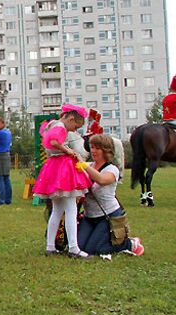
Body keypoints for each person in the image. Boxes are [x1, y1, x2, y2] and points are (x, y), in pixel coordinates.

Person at [33, 104, 93, 259]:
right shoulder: (60, 127)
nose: (74, 130)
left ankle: (50, 246)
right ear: (71, 118)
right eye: (75, 126)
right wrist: (68, 150)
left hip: (53, 166)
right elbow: (53, 142)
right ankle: (74, 248)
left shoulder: (52, 125)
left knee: (58, 210)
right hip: (62, 167)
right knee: (71, 208)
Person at [76, 134, 144, 257]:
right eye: (91, 147)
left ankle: (129, 244)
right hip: (89, 216)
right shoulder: (89, 165)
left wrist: (84, 166)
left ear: (106, 150)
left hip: (108, 216)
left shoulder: (112, 169)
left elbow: (101, 180)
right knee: (81, 248)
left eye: (97, 148)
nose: (93, 151)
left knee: (96, 249)